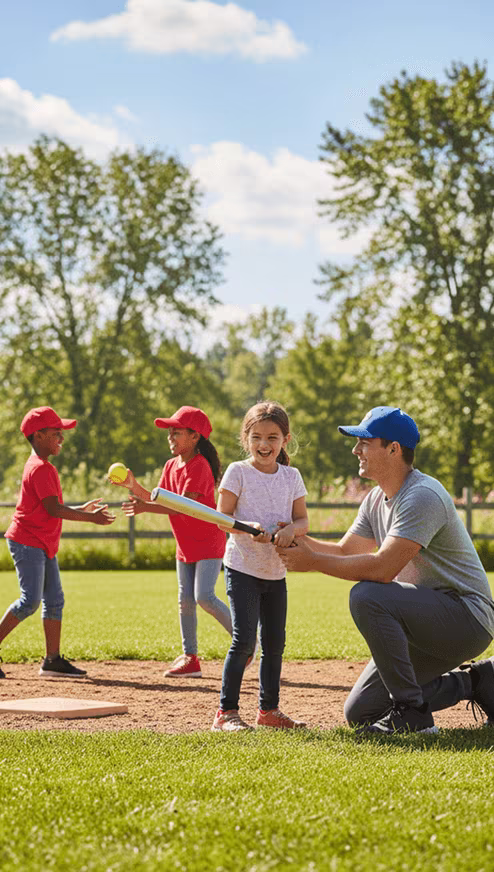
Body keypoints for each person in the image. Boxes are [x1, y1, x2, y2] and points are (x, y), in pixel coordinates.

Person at [276, 406, 494, 735]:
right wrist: (293, 536)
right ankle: (478, 680)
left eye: (364, 442)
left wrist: (312, 562)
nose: (355, 450)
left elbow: (382, 569)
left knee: (367, 595)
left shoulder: (422, 495)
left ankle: (414, 715)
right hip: (422, 619)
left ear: (393, 449)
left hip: (465, 618)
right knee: (362, 711)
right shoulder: (377, 498)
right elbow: (345, 550)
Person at [112, 406, 232, 678]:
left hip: (208, 542)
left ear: (195, 437)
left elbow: (183, 507)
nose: (170, 437)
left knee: (205, 597)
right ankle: (190, 659)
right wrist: (133, 486)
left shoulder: (199, 466)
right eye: (170, 432)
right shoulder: (170, 466)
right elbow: (156, 498)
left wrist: (144, 508)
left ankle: (245, 641)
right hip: (186, 545)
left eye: (176, 432)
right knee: (185, 602)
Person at [211, 401, 309, 732]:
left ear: (285, 439)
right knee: (244, 641)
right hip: (242, 568)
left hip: (275, 571)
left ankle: (269, 711)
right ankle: (226, 713)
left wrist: (290, 530)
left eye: (272, 437)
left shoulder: (292, 476)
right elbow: (223, 520)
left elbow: (303, 520)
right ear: (246, 438)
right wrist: (248, 526)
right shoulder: (238, 472)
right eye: (256, 437)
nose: (264, 445)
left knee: (275, 643)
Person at [2, 406, 115, 678]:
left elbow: (50, 505)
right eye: (56, 433)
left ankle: (52, 660)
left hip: (40, 543)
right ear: (38, 435)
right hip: (28, 542)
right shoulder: (40, 468)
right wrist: (91, 519)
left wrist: (82, 509)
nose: (61, 439)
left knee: (54, 600)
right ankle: (51, 659)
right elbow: (53, 509)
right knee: (30, 601)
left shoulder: (42, 466)